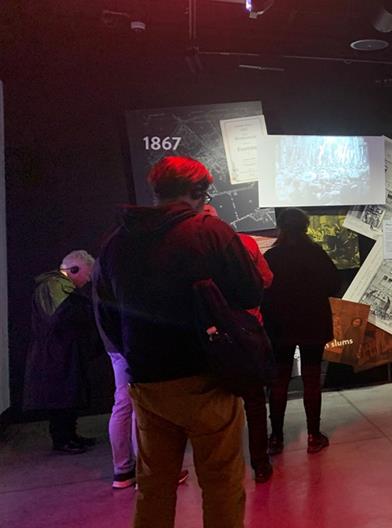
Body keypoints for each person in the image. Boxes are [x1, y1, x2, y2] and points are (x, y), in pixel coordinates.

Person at [93, 156, 263, 528]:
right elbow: (251, 292)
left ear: (156, 191)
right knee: (221, 484)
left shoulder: (114, 243)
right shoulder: (209, 231)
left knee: (153, 487)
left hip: (148, 384)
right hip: (208, 379)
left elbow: (105, 315)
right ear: (198, 192)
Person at [204, 204, 275, 483]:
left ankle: (223, 467)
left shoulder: (189, 251)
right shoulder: (244, 243)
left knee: (215, 404)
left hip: (211, 335)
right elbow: (267, 279)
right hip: (247, 331)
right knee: (255, 401)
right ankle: (260, 463)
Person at [261, 208, 340, 456]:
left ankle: (276, 437)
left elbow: (261, 288)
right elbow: (334, 286)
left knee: (279, 381)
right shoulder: (316, 254)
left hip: (279, 326)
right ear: (305, 227)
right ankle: (314, 436)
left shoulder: (272, 256)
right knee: (312, 379)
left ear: (281, 228)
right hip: (313, 324)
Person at [23, 250, 101, 454]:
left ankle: (69, 436)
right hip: (55, 355)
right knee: (61, 398)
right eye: (86, 274)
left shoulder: (54, 286)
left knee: (69, 396)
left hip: (62, 353)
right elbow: (59, 317)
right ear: (74, 269)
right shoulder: (52, 286)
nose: (88, 280)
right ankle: (62, 439)